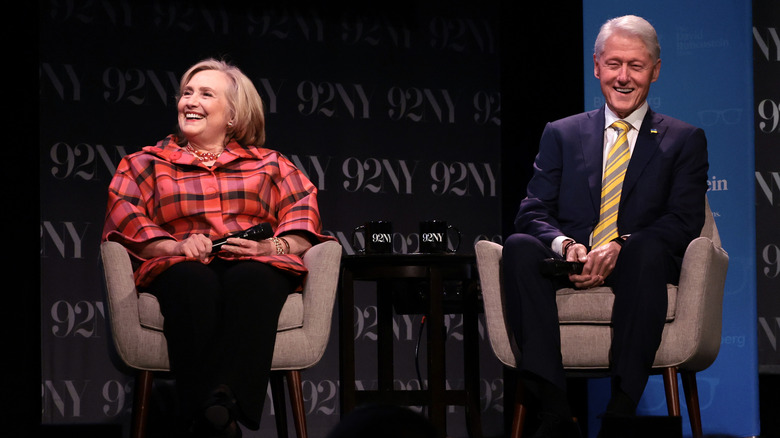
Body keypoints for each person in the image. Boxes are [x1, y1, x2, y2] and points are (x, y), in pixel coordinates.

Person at [102, 58, 333, 437]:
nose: (190, 101)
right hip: (182, 264)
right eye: (186, 92)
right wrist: (173, 246)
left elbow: (303, 213)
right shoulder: (144, 163)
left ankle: (211, 413)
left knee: (253, 279)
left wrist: (272, 247)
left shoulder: (270, 165)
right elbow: (124, 214)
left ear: (233, 116)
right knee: (194, 281)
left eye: (206, 94)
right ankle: (219, 415)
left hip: (251, 262)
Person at [502, 15, 708, 438]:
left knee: (648, 249)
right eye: (614, 64)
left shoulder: (683, 139)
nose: (624, 77)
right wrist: (564, 245)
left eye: (636, 65)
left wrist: (620, 245)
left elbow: (684, 219)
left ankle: (622, 408)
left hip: (639, 264)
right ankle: (556, 410)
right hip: (572, 261)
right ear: (597, 66)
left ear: (655, 69)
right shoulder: (561, 133)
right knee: (521, 245)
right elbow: (533, 209)